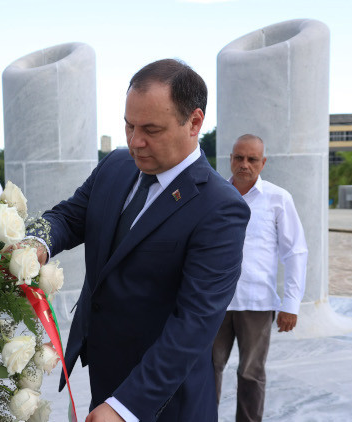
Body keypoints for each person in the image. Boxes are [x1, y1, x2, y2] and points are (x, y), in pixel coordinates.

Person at [37, 59, 250, 421]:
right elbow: (70, 217)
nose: (136, 142)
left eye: (151, 129)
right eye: (128, 125)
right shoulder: (116, 166)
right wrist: (35, 244)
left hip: (164, 399)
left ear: (194, 122)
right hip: (104, 378)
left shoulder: (220, 207)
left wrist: (125, 407)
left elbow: (194, 323)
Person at [212, 134, 308, 422]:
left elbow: (296, 252)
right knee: (205, 370)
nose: (244, 164)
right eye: (239, 157)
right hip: (215, 303)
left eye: (252, 159)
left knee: (251, 373)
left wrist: (291, 304)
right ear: (230, 159)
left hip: (257, 302)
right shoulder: (213, 195)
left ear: (263, 162)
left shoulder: (279, 199)